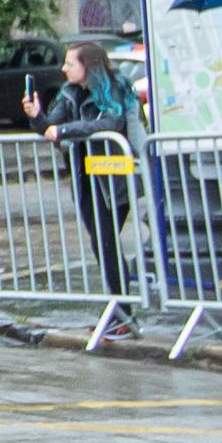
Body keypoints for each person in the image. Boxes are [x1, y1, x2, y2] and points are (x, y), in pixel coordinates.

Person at [35, 40, 147, 314]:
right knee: (101, 242)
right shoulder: (70, 91)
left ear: (88, 66)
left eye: (70, 63)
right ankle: (119, 310)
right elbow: (50, 126)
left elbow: (111, 123)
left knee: (106, 240)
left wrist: (65, 131)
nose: (64, 69)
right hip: (84, 178)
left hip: (113, 179)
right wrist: (36, 114)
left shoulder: (115, 88)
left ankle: (123, 312)